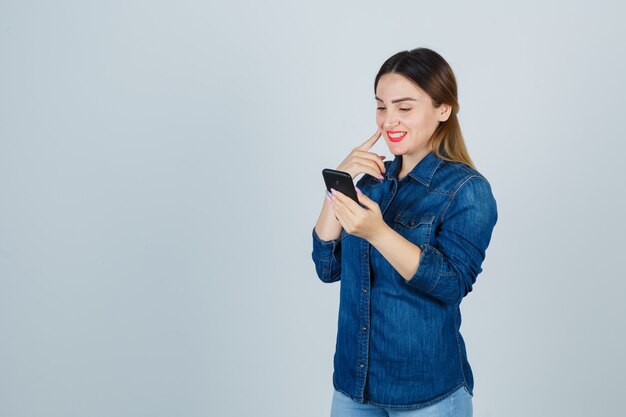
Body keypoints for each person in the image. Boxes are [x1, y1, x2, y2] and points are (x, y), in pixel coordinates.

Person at [311, 48, 498, 417]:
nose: (389, 120)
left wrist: (379, 233)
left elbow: (451, 285)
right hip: (353, 387)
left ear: (442, 109)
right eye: (381, 106)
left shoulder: (467, 190)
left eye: (404, 107)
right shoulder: (370, 182)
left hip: (427, 394)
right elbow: (326, 266)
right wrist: (338, 183)